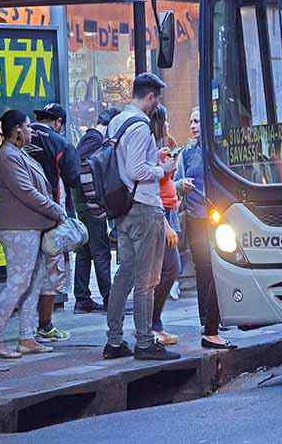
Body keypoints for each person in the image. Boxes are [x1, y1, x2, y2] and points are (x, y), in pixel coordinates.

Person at [102, 73, 180, 361]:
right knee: (147, 279)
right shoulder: (140, 126)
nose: (156, 104)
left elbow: (126, 166)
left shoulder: (117, 121)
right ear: (150, 97)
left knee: (124, 275)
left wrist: (151, 160)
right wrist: (164, 170)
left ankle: (114, 340)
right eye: (156, 98)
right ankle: (145, 342)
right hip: (144, 207)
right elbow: (136, 170)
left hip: (123, 207)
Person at [0, 110, 67, 359]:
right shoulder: (8, 156)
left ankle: (27, 337)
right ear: (17, 130)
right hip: (17, 229)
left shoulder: (18, 154)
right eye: (29, 127)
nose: (32, 131)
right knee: (19, 283)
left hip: (31, 227)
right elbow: (27, 192)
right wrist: (56, 210)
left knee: (33, 282)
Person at [175, 107, 236, 350]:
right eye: (191, 121)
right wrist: (181, 185)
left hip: (220, 218)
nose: (193, 126)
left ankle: (219, 316)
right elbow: (176, 182)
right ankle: (206, 319)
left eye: (198, 121)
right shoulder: (186, 153)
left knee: (222, 265)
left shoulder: (218, 149)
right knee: (204, 268)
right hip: (196, 217)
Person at [25, 103, 80, 343]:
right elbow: (74, 179)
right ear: (58, 122)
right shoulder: (60, 143)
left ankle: (26, 329)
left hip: (23, 216)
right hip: (52, 216)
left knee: (26, 272)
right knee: (51, 271)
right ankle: (45, 325)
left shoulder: (18, 138)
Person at [73, 107, 121, 314]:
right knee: (101, 251)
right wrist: (95, 202)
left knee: (85, 251)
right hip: (90, 204)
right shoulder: (94, 139)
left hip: (84, 203)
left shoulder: (90, 138)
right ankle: (109, 299)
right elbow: (85, 170)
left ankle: (82, 299)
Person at [150, 105, 181, 346]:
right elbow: (151, 191)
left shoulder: (163, 147)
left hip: (169, 211)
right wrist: (166, 225)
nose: (169, 125)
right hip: (159, 214)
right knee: (169, 269)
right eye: (166, 121)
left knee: (166, 269)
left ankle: (154, 324)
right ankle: (152, 324)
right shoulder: (153, 149)